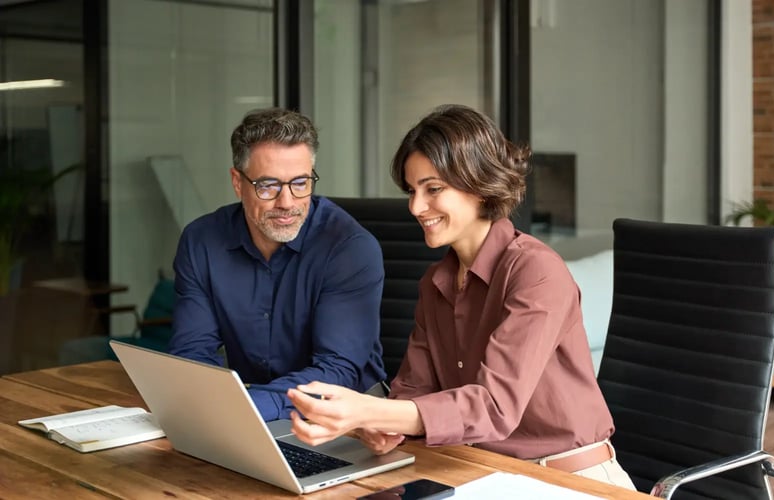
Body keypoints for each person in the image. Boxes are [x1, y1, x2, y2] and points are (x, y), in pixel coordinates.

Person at [287, 104, 635, 489]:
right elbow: (413, 389)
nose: (416, 207)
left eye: (433, 189)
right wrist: (382, 424)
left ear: (480, 183)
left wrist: (374, 410)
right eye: (412, 190)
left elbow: (494, 407)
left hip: (572, 480)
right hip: (484, 473)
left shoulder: (536, 271)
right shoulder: (436, 282)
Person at [169, 107, 387, 421]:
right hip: (249, 409)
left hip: (346, 417)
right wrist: (215, 409)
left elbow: (337, 371)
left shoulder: (349, 248)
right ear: (237, 182)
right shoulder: (202, 241)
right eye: (268, 185)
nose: (287, 202)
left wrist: (242, 409)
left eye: (300, 183)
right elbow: (192, 353)